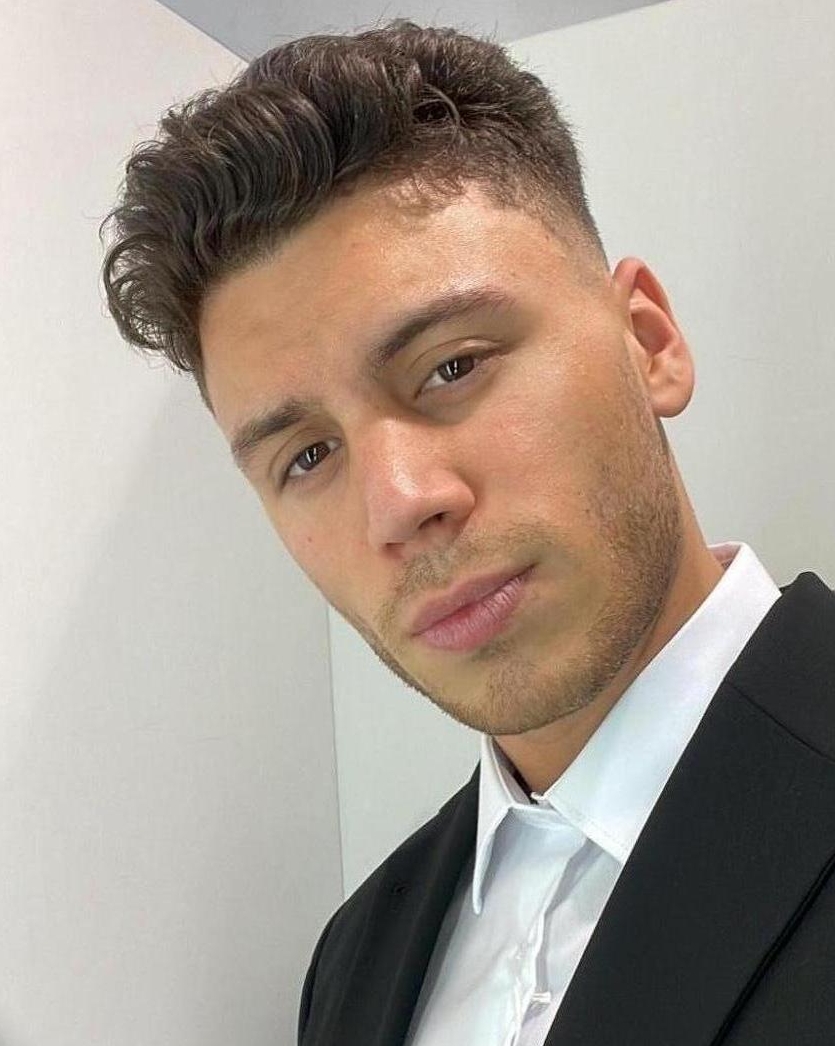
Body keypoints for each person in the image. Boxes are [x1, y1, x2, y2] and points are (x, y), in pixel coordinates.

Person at [99, 19, 835, 1046]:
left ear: (648, 342)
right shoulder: (354, 958)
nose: (398, 503)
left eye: (452, 366)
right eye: (305, 457)